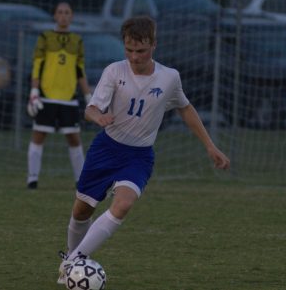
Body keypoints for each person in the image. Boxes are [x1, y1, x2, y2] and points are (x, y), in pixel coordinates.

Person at [56, 15, 230, 284]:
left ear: (154, 45)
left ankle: (71, 262)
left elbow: (184, 107)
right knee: (82, 211)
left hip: (138, 156)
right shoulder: (114, 71)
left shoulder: (169, 77)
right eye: (129, 50)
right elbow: (91, 108)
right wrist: (98, 117)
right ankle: (72, 256)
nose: (134, 57)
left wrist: (210, 145)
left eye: (141, 51)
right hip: (106, 148)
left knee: (123, 204)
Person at [26, 1, 92, 190]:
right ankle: (32, 179)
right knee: (39, 135)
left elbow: (80, 71)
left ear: (71, 17)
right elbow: (37, 65)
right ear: (55, 16)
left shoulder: (77, 41)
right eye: (60, 12)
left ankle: (81, 181)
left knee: (74, 138)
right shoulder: (45, 37)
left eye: (67, 12)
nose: (63, 15)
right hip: (46, 96)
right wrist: (34, 91)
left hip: (68, 97)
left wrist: (88, 97)